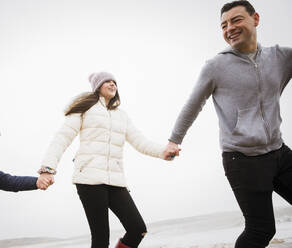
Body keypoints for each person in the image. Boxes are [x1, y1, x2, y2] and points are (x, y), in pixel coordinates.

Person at [163, 1, 292, 247]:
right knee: (261, 230)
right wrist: (174, 140)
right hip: (242, 160)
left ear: (255, 19)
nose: (229, 28)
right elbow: (193, 104)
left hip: (278, 152)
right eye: (224, 25)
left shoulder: (281, 57)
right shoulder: (216, 66)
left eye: (236, 20)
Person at [38, 72, 168, 248]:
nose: (112, 84)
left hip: (115, 180)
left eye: (114, 81)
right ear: (98, 86)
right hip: (89, 178)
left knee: (138, 229)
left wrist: (163, 152)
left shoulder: (122, 116)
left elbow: (140, 141)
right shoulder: (85, 109)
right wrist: (48, 168)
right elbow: (61, 139)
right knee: (100, 238)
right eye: (107, 81)